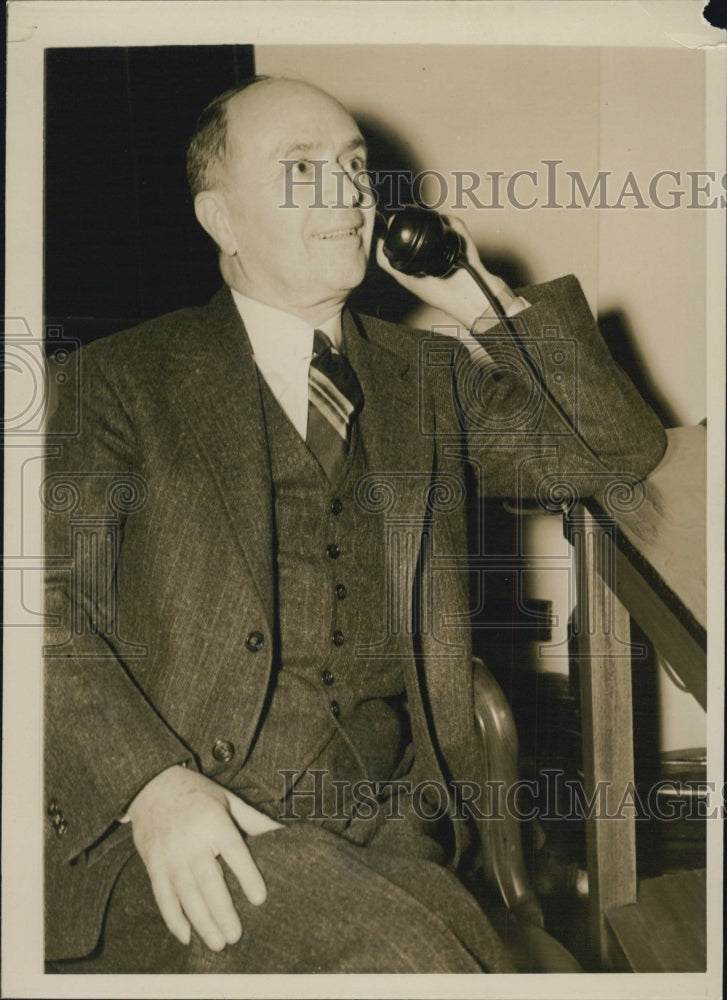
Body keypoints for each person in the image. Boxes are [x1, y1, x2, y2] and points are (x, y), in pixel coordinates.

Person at [43, 76, 666, 974]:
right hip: (188, 843)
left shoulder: (427, 377)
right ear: (218, 218)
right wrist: (151, 787)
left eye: (353, 167)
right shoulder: (121, 380)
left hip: (392, 837)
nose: (346, 194)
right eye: (302, 169)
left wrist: (482, 306)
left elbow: (615, 452)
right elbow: (44, 606)